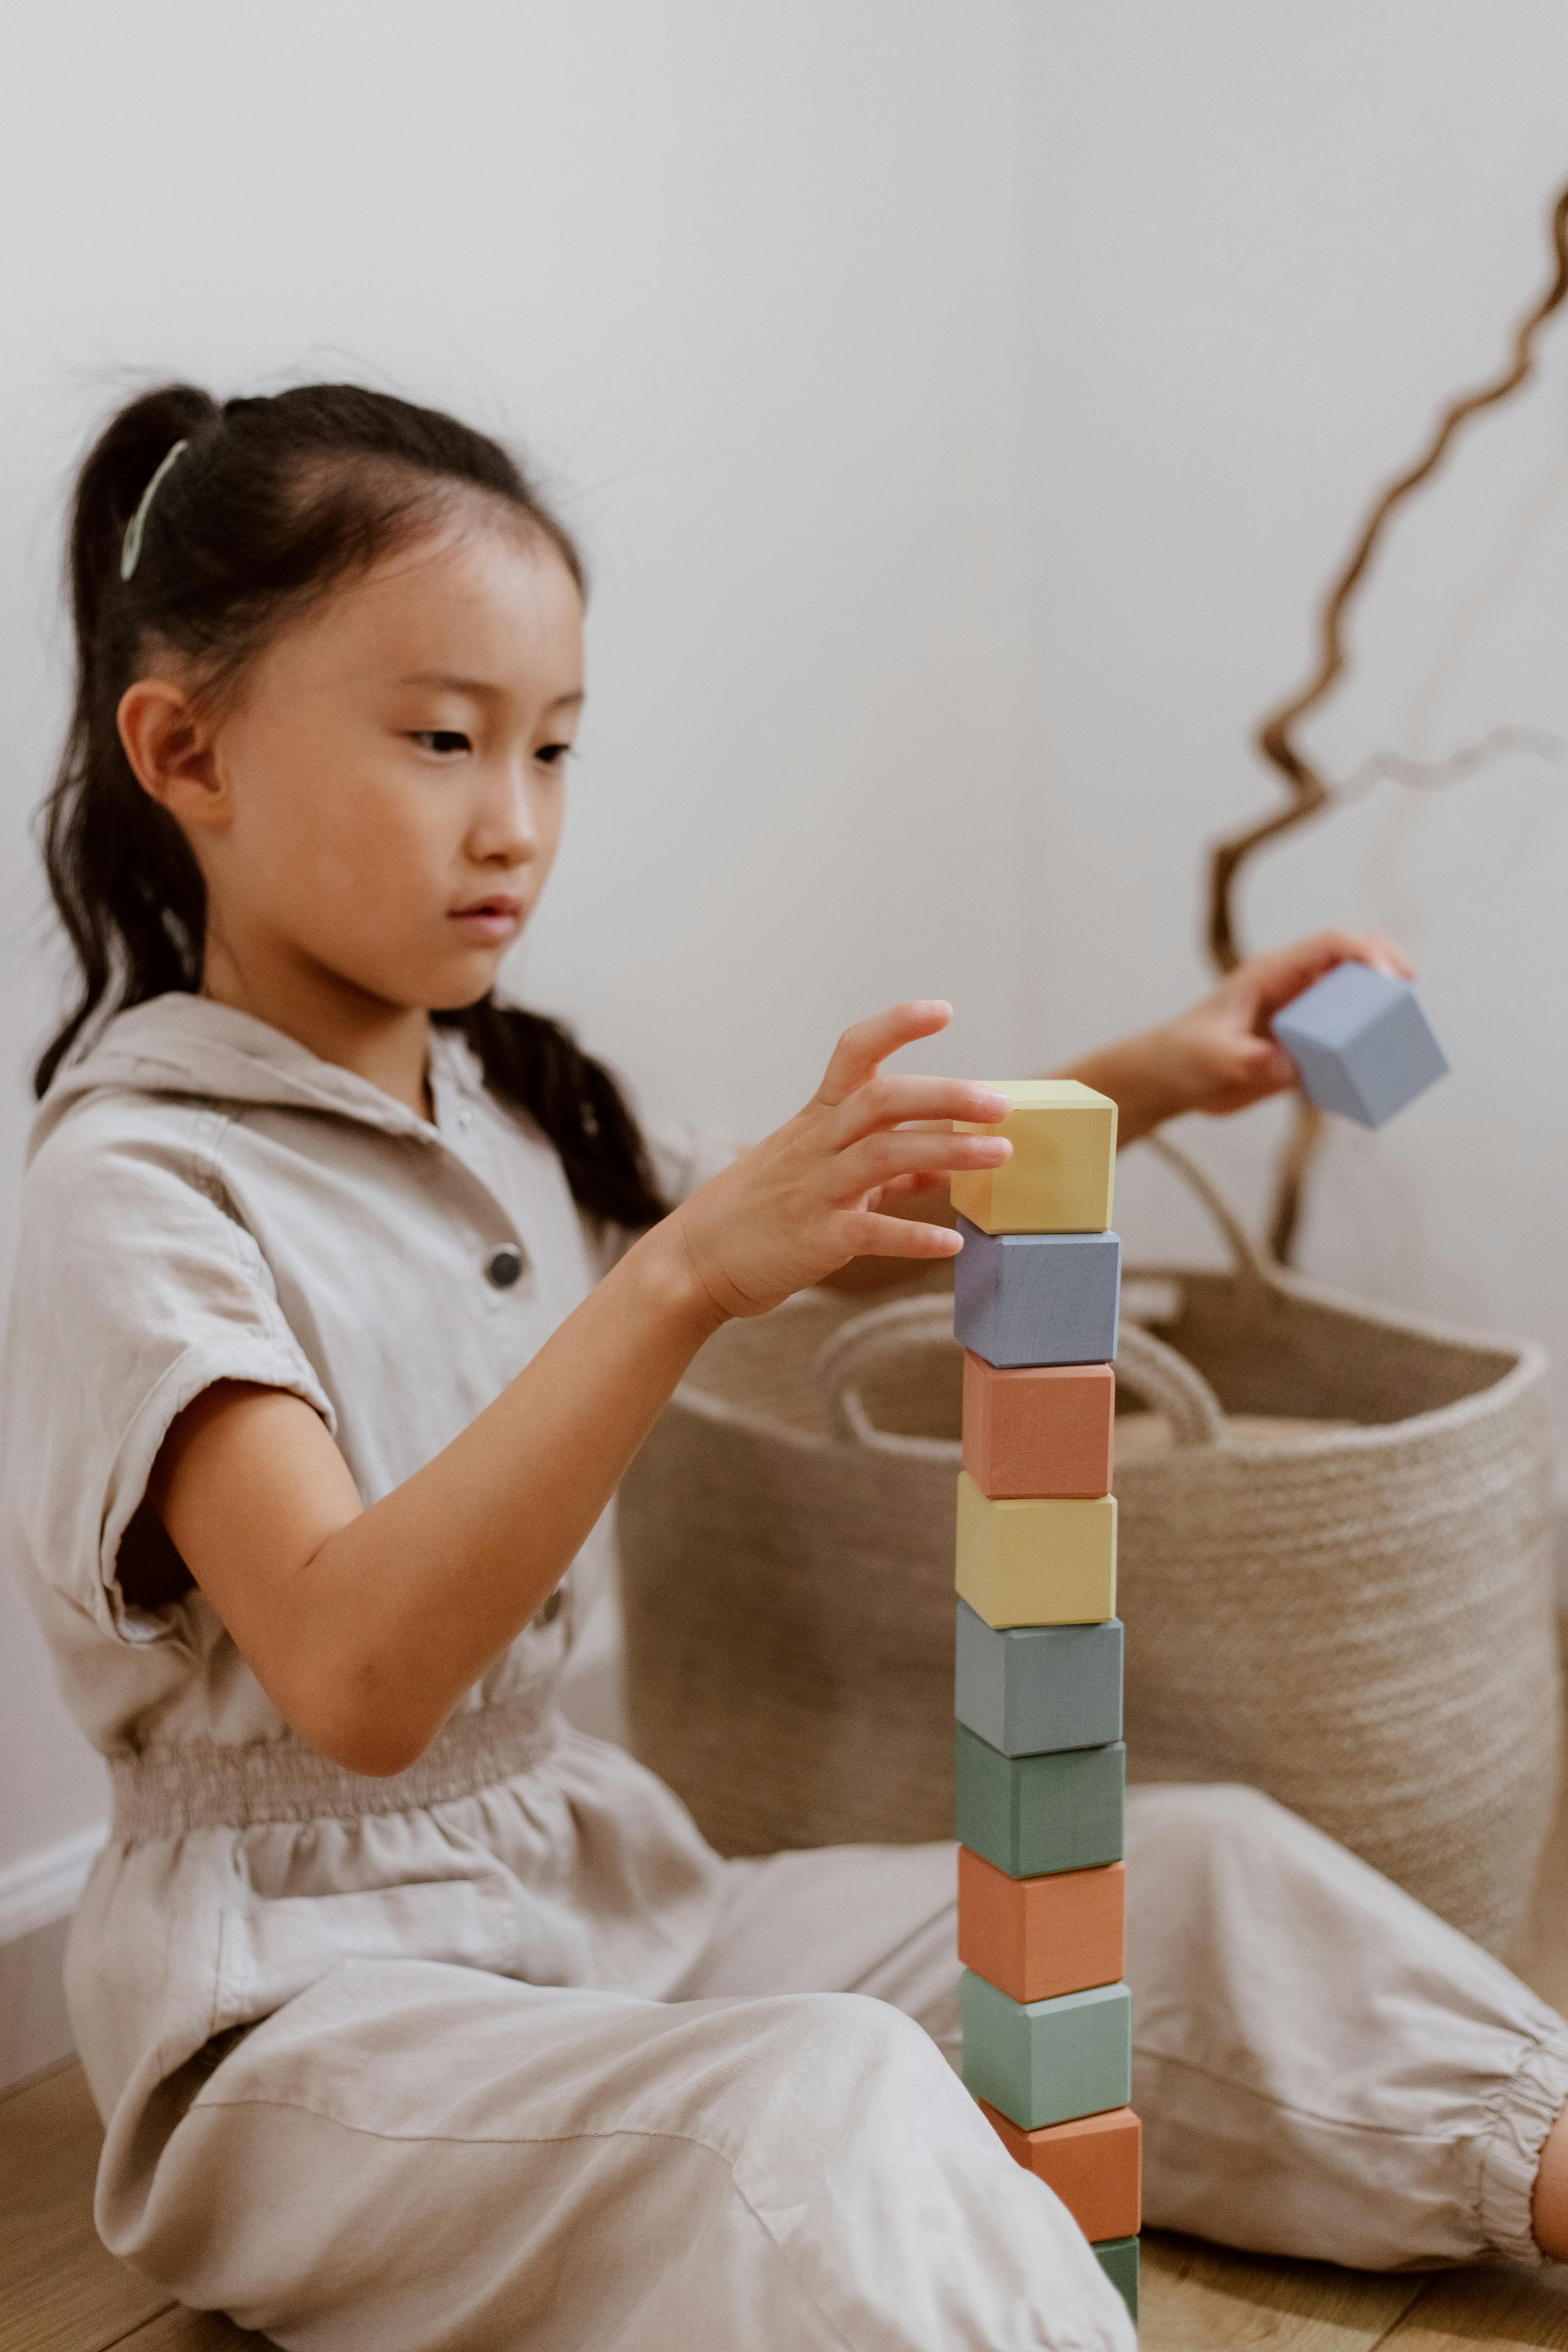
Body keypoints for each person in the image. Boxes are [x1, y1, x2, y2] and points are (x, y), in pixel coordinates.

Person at [7, 380, 1568, 2352]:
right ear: (186, 748)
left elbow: (842, 1222)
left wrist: (1162, 1072)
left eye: (556, 749)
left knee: (1190, 1876)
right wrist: (672, 1286)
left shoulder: (503, 1106)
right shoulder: (133, 1187)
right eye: (441, 740)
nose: (517, 822)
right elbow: (357, 1677)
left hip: (611, 1907)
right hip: (319, 2025)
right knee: (818, 2104)